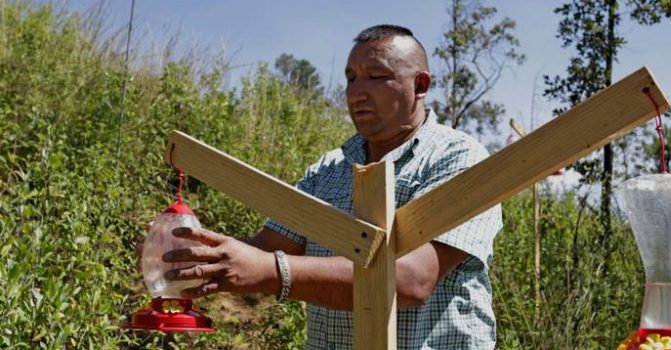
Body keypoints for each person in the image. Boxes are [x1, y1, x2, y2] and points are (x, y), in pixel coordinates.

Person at [159, 24, 503, 349]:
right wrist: (191, 255)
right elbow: (269, 247)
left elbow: (414, 280)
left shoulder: (458, 158)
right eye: (350, 79)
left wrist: (272, 272)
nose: (357, 92)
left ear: (421, 85)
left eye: (376, 77)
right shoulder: (328, 169)